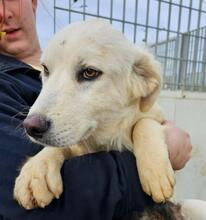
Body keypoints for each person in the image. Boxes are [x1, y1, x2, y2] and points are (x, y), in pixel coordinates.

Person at [0, 0, 192, 219]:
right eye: (47, 71)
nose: (2, 13)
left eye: (89, 73)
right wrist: (164, 150)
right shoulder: (6, 83)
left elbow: (143, 114)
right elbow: (38, 211)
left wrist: (147, 130)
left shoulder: (66, 52)